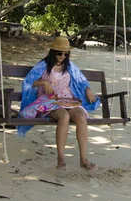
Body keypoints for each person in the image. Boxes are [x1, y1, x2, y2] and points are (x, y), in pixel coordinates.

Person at [17, 36, 101, 170]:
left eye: (65, 53)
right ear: (53, 52)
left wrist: (88, 89)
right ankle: (61, 158)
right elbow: (29, 82)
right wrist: (44, 82)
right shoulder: (43, 66)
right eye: (59, 53)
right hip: (50, 100)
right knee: (64, 116)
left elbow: (82, 81)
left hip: (68, 99)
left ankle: (84, 158)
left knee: (80, 116)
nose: (62, 56)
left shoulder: (70, 66)